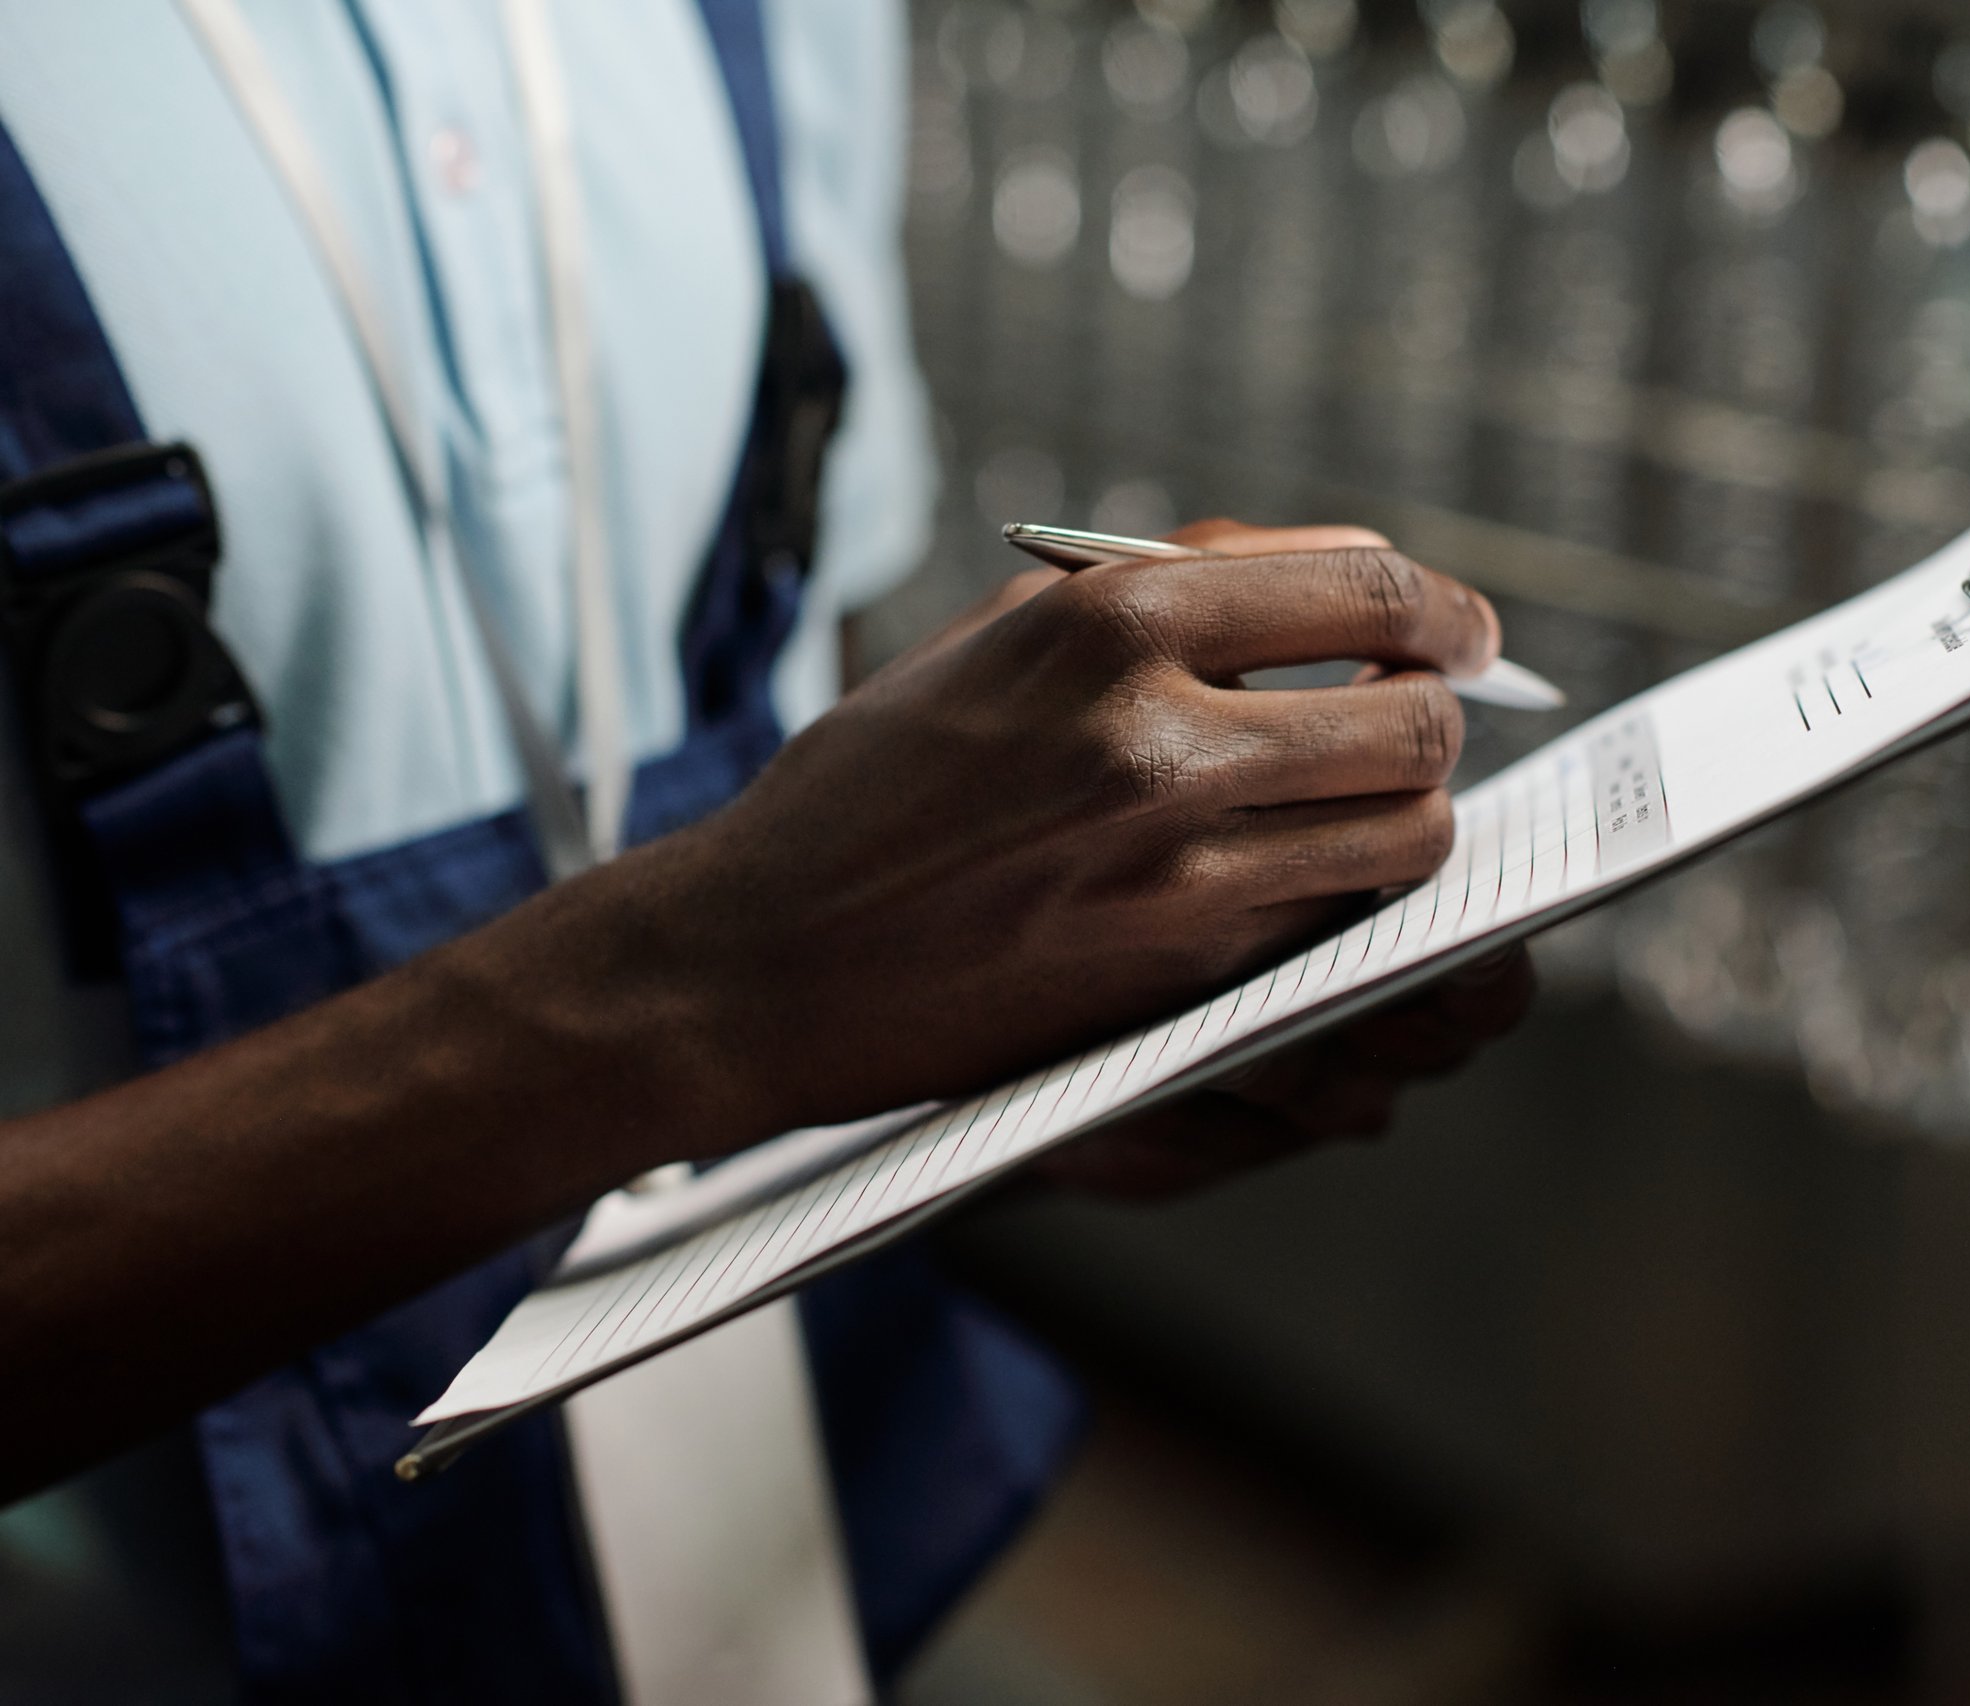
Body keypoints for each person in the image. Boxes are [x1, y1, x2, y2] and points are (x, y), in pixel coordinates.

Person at [0, 0, 1532, 1700]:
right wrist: (707, 995)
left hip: (766, 1573)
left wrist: (1009, 1033)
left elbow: (797, 723)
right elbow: (739, 961)